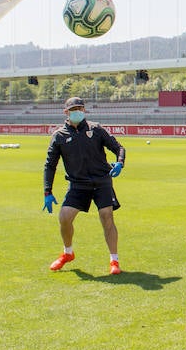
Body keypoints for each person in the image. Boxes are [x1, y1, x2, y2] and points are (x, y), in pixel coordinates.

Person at [42, 96, 126, 275]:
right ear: (66, 112)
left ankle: (114, 261)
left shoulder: (96, 129)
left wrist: (120, 162)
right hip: (78, 185)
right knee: (64, 217)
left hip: (102, 181)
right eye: (73, 110)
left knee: (106, 216)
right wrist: (47, 191)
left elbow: (119, 148)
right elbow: (50, 165)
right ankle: (68, 253)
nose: (77, 112)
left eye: (80, 108)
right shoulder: (59, 136)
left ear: (84, 110)